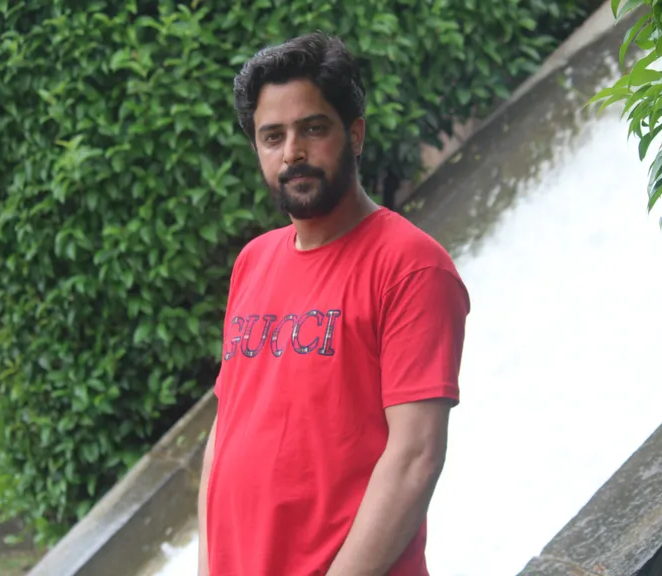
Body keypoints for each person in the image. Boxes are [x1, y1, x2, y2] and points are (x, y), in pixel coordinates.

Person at [197, 31, 470, 576]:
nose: (292, 152)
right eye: (272, 137)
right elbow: (225, 431)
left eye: (312, 129)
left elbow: (415, 459)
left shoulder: (411, 266)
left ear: (355, 133)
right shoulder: (253, 261)